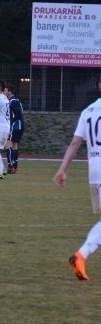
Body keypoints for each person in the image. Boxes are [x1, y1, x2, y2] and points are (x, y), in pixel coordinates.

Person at [53, 79, 101, 281]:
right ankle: (82, 254)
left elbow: (75, 143)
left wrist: (62, 169)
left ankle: (81, 255)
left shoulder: (88, 111)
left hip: (95, 172)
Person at [5, 85, 24, 174]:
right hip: (18, 125)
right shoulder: (14, 100)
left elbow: (18, 113)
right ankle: (15, 167)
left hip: (15, 126)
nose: (4, 92)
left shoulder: (13, 101)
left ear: (10, 91)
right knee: (14, 146)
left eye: (5, 91)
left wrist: (12, 124)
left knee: (8, 145)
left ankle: (10, 166)